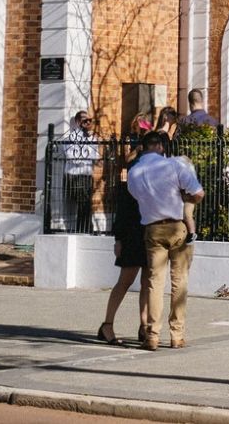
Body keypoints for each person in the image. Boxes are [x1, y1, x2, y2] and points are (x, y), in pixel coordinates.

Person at [127, 129, 205, 350]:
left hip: (152, 229)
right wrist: (184, 198)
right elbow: (199, 193)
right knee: (179, 281)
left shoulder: (134, 172)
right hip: (177, 226)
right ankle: (177, 334)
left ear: (143, 147)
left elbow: (136, 196)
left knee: (154, 283)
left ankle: (152, 334)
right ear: (160, 146)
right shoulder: (173, 165)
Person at [97, 135, 147, 345]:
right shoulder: (133, 174)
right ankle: (107, 325)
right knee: (125, 281)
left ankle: (145, 326)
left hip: (149, 233)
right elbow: (123, 210)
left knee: (148, 283)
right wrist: (118, 239)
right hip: (132, 234)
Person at [60, 110, 99, 234]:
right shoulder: (70, 138)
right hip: (74, 176)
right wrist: (84, 157)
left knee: (86, 204)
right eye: (84, 120)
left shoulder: (92, 138)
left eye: (89, 120)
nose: (87, 123)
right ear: (78, 122)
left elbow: (95, 156)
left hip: (87, 175)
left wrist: (83, 157)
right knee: (83, 203)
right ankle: (85, 230)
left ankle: (85, 229)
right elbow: (71, 157)